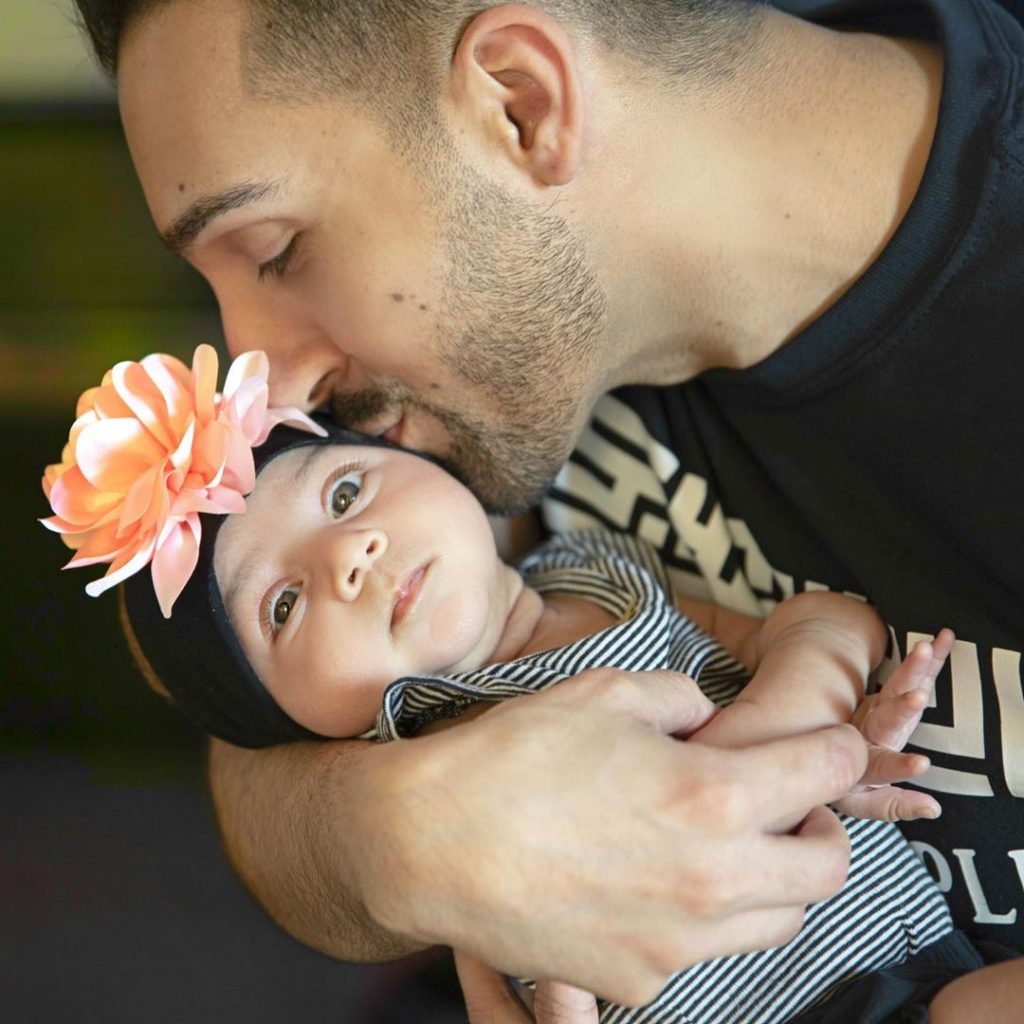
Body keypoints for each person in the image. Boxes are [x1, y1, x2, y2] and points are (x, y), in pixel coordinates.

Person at [70, 0, 1024, 1016]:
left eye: (276, 249)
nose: (277, 392)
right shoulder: (480, 396)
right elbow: (253, 731)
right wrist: (407, 837)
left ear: (522, 106)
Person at [44, 346, 991, 1023]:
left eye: (344, 495)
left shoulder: (601, 569)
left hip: (902, 960)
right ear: (293, 726)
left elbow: (824, 620)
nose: (351, 558)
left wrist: (797, 721)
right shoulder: (424, 749)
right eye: (284, 606)